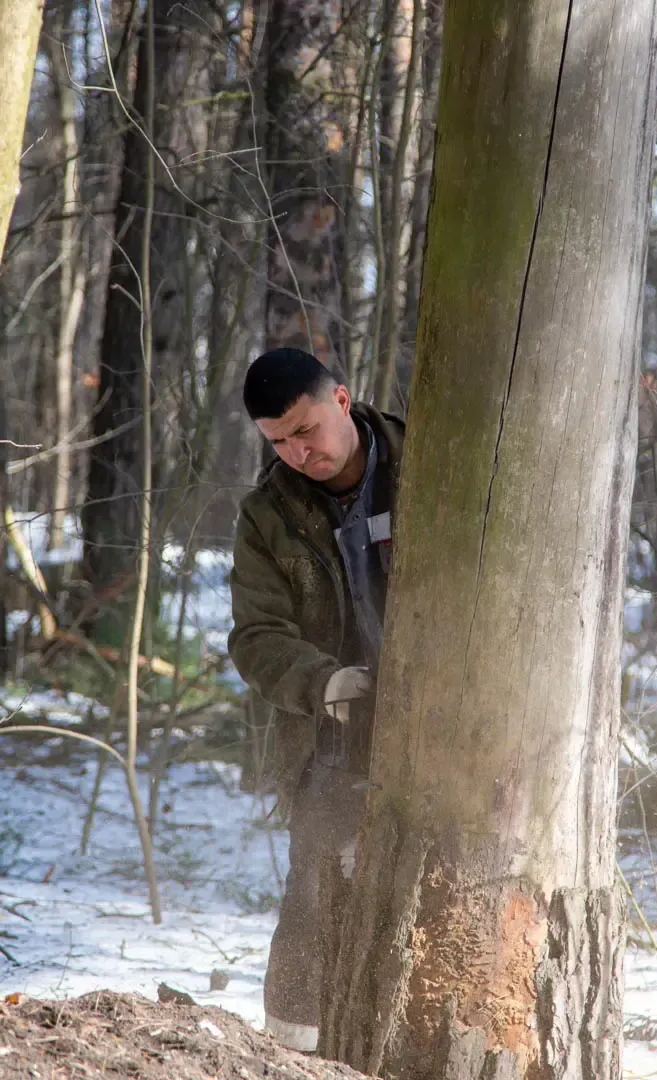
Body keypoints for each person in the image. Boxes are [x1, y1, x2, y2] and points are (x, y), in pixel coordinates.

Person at [226, 347, 403, 1052]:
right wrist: (325, 683)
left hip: (451, 725)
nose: (299, 452)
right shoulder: (268, 514)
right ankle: (291, 1054)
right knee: (313, 899)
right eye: (278, 442)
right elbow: (257, 636)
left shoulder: (429, 460)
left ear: (341, 400)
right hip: (335, 730)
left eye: (306, 430)